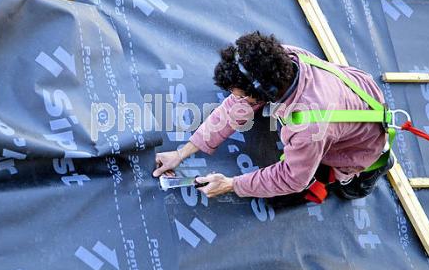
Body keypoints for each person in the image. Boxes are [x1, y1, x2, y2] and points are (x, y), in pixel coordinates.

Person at [152, 31, 393, 202]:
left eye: (244, 96)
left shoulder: (307, 128)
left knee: (303, 193)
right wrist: (183, 152)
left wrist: (232, 184)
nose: (237, 100)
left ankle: (365, 174)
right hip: (357, 92)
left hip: (362, 143)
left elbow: (292, 178)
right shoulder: (285, 57)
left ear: (265, 92)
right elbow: (234, 107)